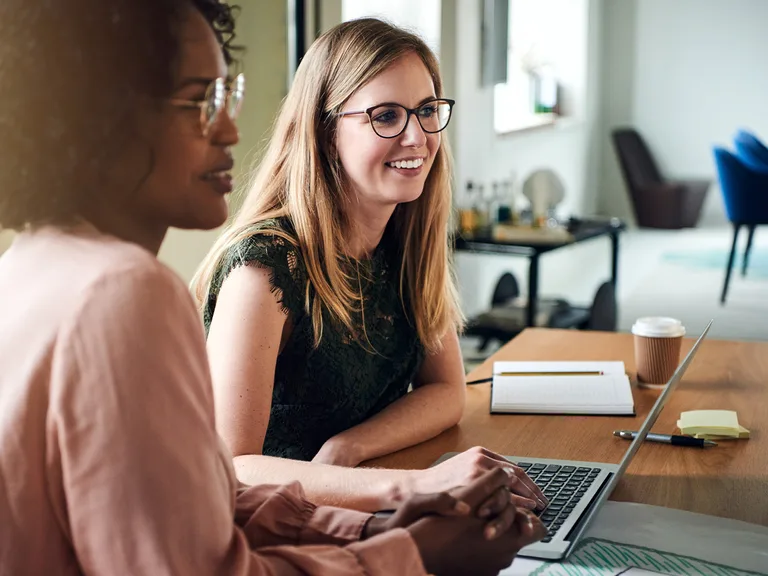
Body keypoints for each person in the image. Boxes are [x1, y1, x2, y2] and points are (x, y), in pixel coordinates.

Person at [0, 0, 546, 574]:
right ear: (100, 116)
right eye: (199, 102)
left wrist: (376, 522)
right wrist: (406, 548)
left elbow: (212, 508)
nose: (231, 127)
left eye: (225, 96)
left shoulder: (30, 262)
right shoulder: (126, 291)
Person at [193, 17, 548, 512]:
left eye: (427, 110)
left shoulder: (408, 235)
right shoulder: (266, 266)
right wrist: (415, 486)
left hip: (359, 504)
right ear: (324, 129)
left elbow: (447, 390)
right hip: (278, 529)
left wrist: (351, 447)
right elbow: (230, 465)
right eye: (385, 116)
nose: (417, 137)